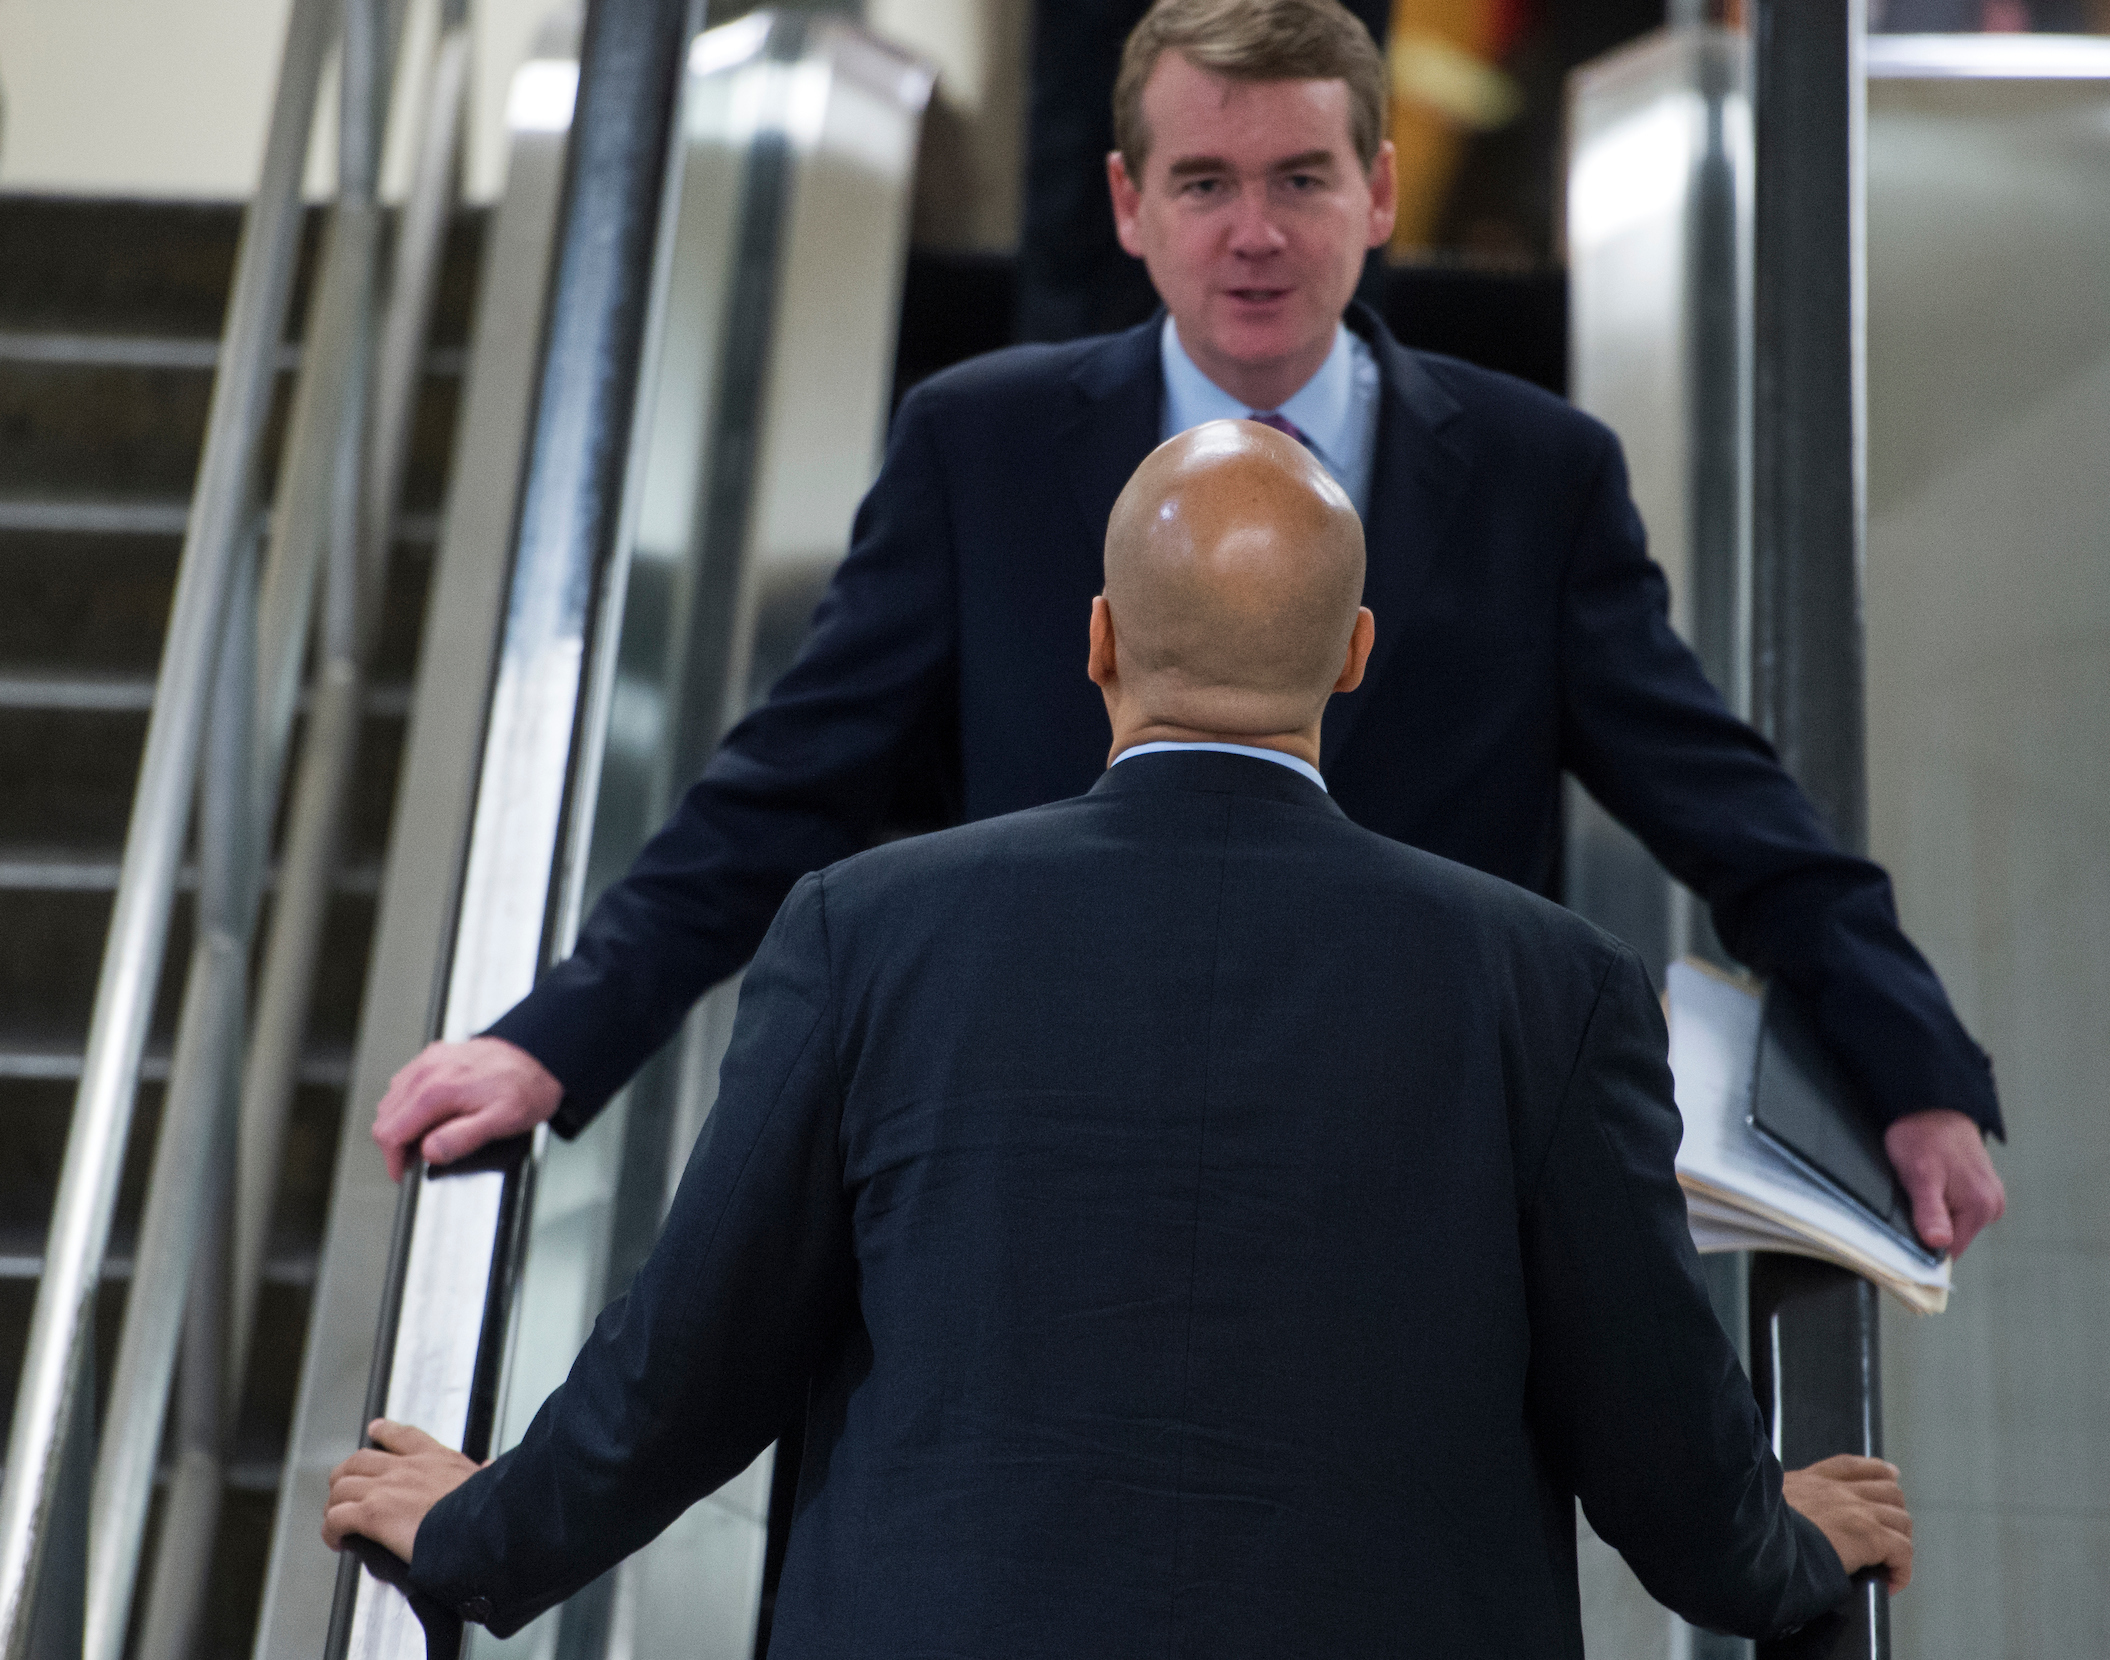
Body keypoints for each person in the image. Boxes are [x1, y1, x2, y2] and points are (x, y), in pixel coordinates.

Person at [373, 0, 2005, 1255]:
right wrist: (554, 1041)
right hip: (1035, 1191)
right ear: (1127, 202)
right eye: (1204, 182)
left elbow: (1736, 813)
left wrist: (1912, 1066)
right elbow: (780, 787)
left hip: (1411, 1213)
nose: (1255, 233)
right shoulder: (983, 449)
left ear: (1376, 194)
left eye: (1301, 179)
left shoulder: (1533, 475)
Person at [325, 424, 1914, 1650]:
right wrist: (1785, 1550)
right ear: (1355, 659)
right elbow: (1656, 1438)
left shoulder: (863, 931)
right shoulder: (1551, 986)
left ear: (1095, 641)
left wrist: (482, 1532)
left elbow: (691, 1362)